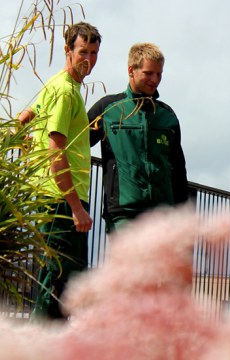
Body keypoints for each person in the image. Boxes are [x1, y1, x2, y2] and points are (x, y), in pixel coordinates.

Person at [19, 22, 101, 320]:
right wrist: (77, 207)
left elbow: (23, 117)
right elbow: (57, 150)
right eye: (82, 52)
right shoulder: (66, 92)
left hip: (51, 199)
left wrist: (27, 142)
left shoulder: (55, 84)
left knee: (57, 283)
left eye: (93, 53)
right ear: (68, 50)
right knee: (57, 288)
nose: (88, 60)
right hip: (61, 203)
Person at [87, 43, 188, 233]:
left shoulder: (167, 116)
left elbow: (178, 169)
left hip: (163, 216)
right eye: (149, 73)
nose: (155, 79)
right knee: (130, 264)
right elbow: (76, 145)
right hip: (123, 214)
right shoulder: (107, 109)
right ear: (131, 70)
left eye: (159, 74)